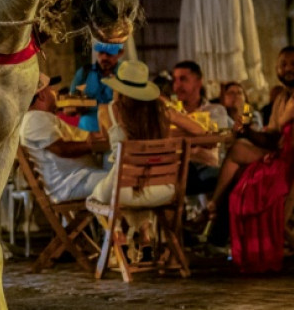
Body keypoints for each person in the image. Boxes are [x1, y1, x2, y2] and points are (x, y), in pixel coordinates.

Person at [207, 59, 294, 273]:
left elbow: (279, 131)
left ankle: (217, 220)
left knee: (243, 180)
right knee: (243, 165)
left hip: (293, 177)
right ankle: (215, 217)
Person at [86, 60, 206, 261]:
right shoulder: (162, 110)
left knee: (97, 197)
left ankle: (119, 235)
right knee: (138, 194)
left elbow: (102, 139)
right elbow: (199, 130)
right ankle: (145, 235)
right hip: (164, 191)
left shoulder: (107, 111)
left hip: (123, 190)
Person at [19, 73, 110, 203]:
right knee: (121, 184)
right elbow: (62, 149)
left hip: (78, 178)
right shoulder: (33, 118)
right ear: (42, 95)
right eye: (50, 89)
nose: (55, 92)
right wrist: (91, 145)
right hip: (71, 184)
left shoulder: (41, 118)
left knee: (121, 179)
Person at [171, 60, 232, 194]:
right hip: (175, 170)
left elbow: (216, 140)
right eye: (175, 80)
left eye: (183, 79)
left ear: (199, 82)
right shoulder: (170, 112)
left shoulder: (215, 110)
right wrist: (200, 136)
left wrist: (180, 135)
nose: (177, 85)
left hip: (206, 168)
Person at [68, 41, 125, 133]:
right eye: (101, 53)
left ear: (120, 53)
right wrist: (77, 106)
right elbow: (70, 104)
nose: (104, 57)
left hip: (117, 128)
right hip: (88, 130)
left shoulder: (126, 73)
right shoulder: (84, 73)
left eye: (109, 54)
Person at [265, 46, 294, 130]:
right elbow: (273, 133)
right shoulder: (279, 99)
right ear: (277, 69)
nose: (288, 69)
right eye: (283, 65)